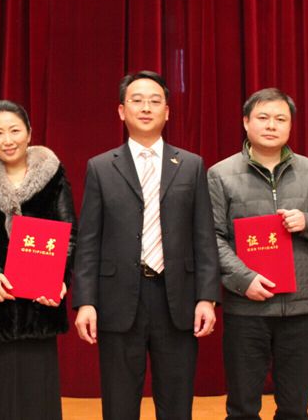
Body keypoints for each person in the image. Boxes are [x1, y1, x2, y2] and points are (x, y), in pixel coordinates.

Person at [72, 70, 220, 420]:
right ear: (121, 111)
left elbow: (204, 236)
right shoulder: (101, 167)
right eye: (136, 101)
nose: (145, 108)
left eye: (155, 101)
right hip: (118, 298)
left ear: (167, 112)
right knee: (119, 405)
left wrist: (207, 297)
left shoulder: (191, 165)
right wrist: (85, 302)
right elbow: (88, 241)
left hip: (177, 298)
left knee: (176, 404)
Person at [207, 88, 308, 419]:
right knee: (242, 408)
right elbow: (212, 238)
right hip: (246, 308)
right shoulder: (220, 174)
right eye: (263, 117)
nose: (271, 125)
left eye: (280, 119)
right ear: (246, 122)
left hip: (300, 307)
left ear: (290, 125)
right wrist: (244, 279)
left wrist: (306, 221)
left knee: (295, 408)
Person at [0, 100, 76, 420]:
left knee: (36, 400)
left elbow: (69, 233)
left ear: (29, 133)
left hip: (39, 307)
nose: (7, 140)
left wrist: (59, 278)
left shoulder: (52, 174)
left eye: (14, 131)